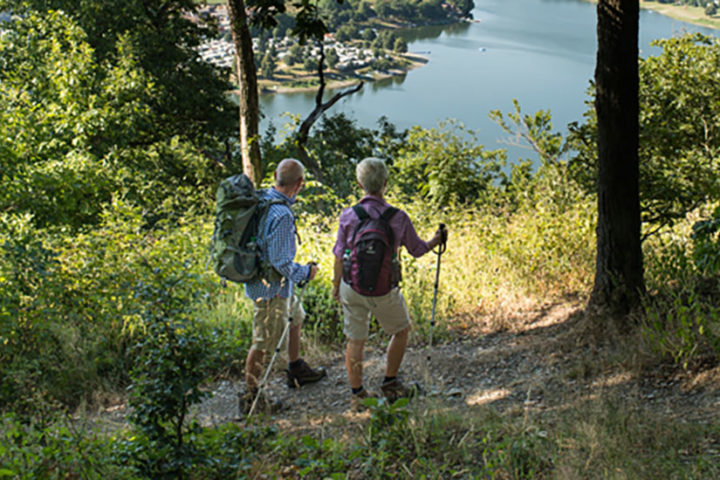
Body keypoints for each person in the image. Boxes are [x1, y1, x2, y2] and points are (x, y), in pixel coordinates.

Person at [332, 157, 447, 410]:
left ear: (359, 183)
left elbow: (339, 255)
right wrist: (436, 240)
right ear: (385, 183)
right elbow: (417, 250)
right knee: (401, 330)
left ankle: (357, 394)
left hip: (352, 286)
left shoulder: (349, 216)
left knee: (355, 340)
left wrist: (335, 286)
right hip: (385, 289)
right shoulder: (398, 217)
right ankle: (390, 382)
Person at [242, 158, 326, 414]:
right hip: (271, 289)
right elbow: (280, 261)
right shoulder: (281, 214)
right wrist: (305, 272)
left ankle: (296, 368)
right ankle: (252, 399)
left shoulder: (264, 198)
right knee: (263, 342)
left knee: (295, 317)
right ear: (300, 183)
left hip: (271, 284)